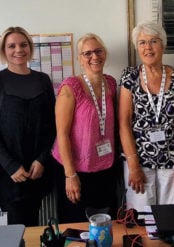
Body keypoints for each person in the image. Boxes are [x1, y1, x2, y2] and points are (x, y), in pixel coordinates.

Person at [0, 26, 56, 226]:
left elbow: (52, 125)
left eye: (23, 44)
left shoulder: (43, 80)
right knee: (16, 228)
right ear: (4, 51)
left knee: (33, 226)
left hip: (38, 168)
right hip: (8, 173)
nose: (18, 50)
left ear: (30, 47)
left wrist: (42, 160)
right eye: (11, 46)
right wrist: (11, 166)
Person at [118, 21, 174, 212]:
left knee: (171, 217)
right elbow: (124, 123)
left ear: (163, 45)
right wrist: (133, 164)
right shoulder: (129, 77)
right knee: (142, 217)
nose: (148, 47)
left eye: (153, 41)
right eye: (142, 42)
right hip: (139, 159)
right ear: (137, 47)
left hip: (172, 159)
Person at [51, 33, 118, 223]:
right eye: (87, 53)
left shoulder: (111, 83)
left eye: (98, 51)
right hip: (75, 169)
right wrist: (70, 175)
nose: (94, 57)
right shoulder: (70, 88)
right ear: (79, 59)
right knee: (76, 225)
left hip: (105, 166)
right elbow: (62, 135)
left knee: (105, 223)